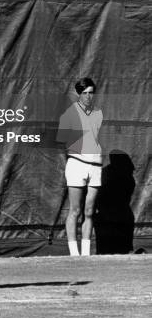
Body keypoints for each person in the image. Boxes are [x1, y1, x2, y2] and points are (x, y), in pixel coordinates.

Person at [57, 78, 103, 257]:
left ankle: (86, 255)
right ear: (78, 94)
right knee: (75, 210)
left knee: (89, 211)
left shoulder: (98, 113)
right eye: (84, 93)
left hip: (96, 166)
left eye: (91, 92)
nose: (88, 96)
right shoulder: (69, 114)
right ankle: (74, 255)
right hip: (77, 165)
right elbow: (62, 140)